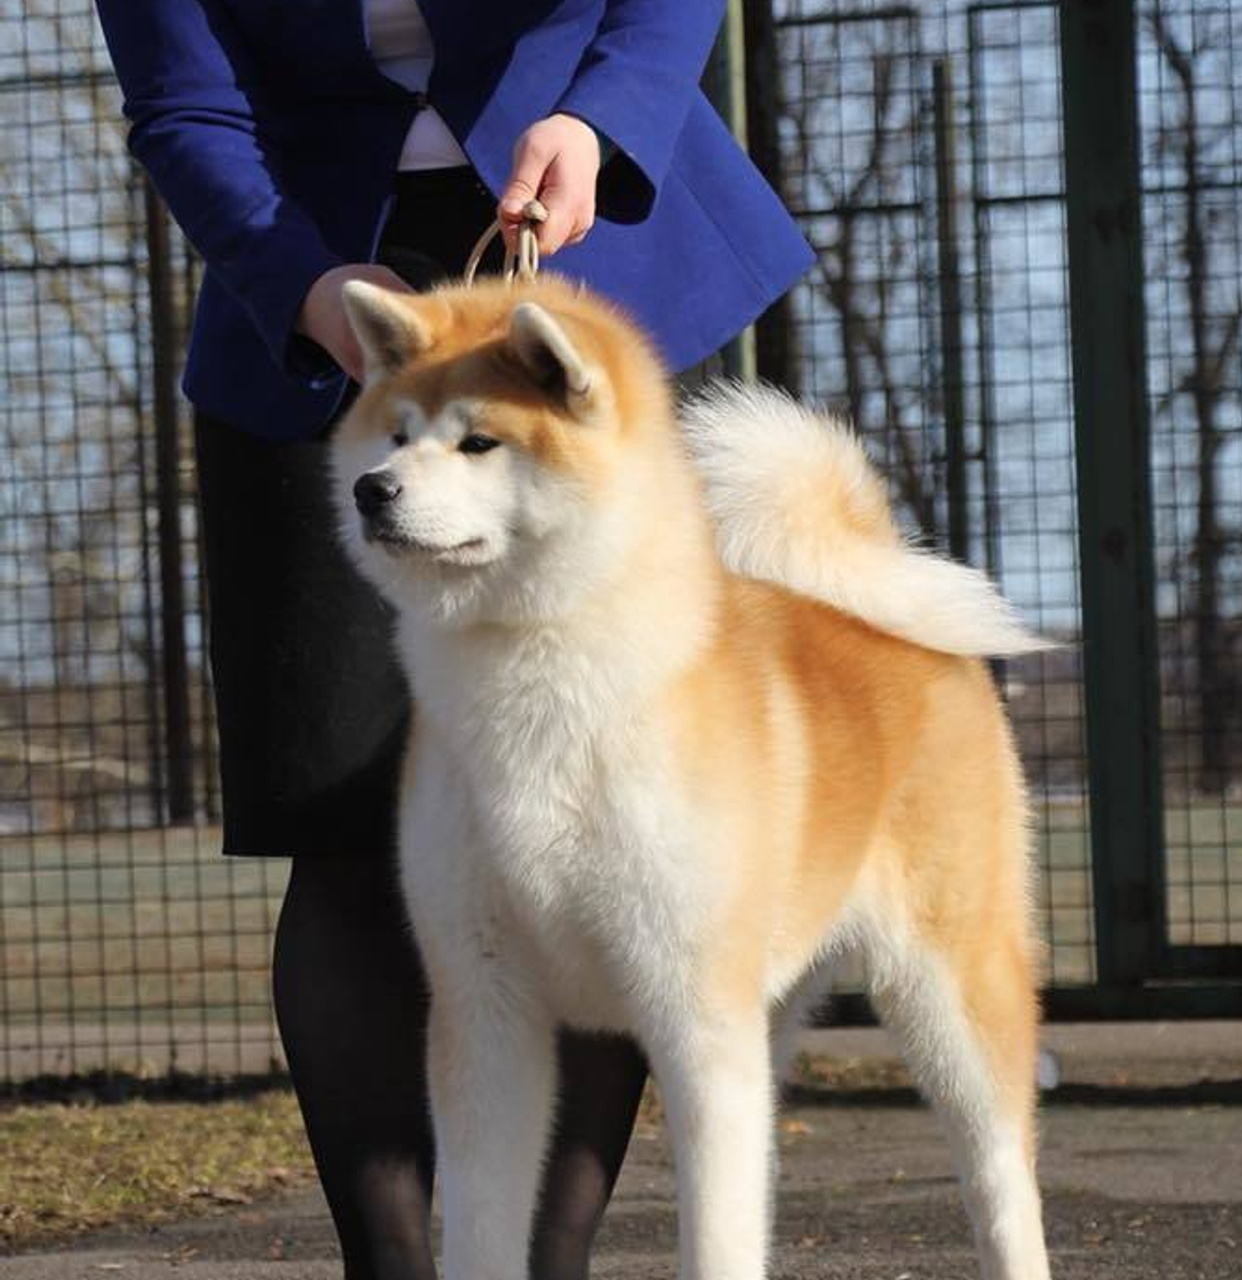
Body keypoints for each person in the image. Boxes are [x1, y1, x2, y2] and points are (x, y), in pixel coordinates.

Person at [91, 3, 813, 1278]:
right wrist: (306, 289)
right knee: (347, 805)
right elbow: (184, 105)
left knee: (613, 803)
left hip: (594, 264)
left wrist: (598, 120)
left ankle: (544, 1258)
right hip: (312, 304)